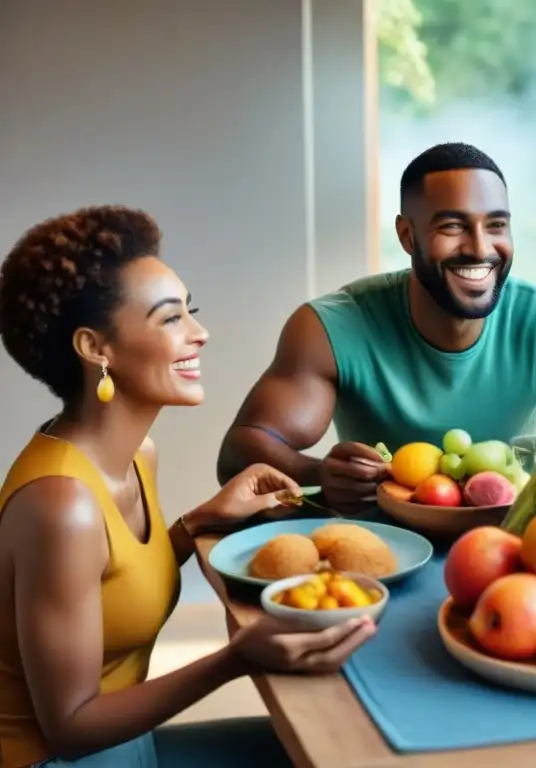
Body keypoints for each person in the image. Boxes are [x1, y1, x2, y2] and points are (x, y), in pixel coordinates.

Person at [0, 206, 377, 768]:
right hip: (60, 759)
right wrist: (235, 658)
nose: (200, 333)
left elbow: (109, 583)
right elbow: (72, 725)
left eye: (190, 312)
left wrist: (197, 523)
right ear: (95, 348)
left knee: (331, 749)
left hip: (122, 745)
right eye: (170, 318)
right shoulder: (61, 507)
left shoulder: (133, 456)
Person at [216, 142, 536, 515]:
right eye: (453, 226)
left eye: (496, 225)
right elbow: (237, 456)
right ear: (407, 236)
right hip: (382, 551)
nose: (481, 248)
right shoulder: (331, 327)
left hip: (514, 546)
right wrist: (319, 474)